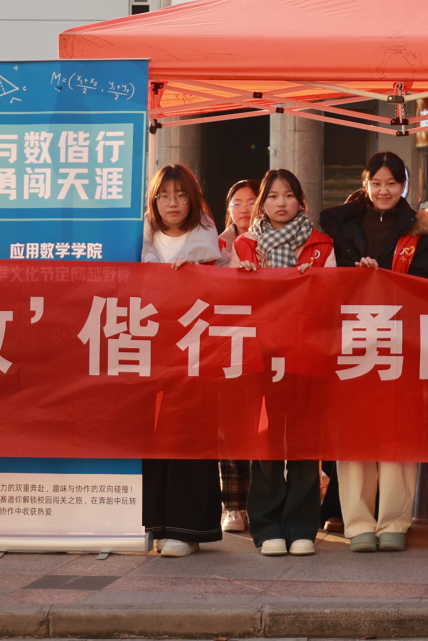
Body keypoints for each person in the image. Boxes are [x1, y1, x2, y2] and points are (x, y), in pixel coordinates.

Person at [317, 152, 428, 551]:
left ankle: (394, 522)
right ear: (365, 184)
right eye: (377, 183)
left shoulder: (421, 233)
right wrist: (355, 276)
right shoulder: (340, 228)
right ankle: (358, 523)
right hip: (351, 342)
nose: (384, 191)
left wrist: (384, 280)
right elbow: (326, 277)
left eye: (392, 183)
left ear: (404, 186)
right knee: (353, 432)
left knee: (397, 431)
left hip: (402, 344)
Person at [230, 168, 328, 557]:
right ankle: (267, 524)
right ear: (262, 203)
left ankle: (302, 525)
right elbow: (229, 303)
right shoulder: (243, 246)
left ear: (301, 202)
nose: (281, 202)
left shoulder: (322, 246)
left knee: (304, 440)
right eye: (272, 196)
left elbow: (334, 304)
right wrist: (241, 279)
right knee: (266, 440)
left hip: (306, 355)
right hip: (261, 355)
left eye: (288, 195)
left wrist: (315, 283)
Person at [140, 163, 228, 556]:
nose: (172, 203)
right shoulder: (138, 239)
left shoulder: (209, 242)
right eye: (164, 195)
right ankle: (155, 523)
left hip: (196, 351)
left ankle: (188, 529)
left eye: (180, 195)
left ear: (193, 199)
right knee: (151, 435)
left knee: (189, 434)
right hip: (146, 347)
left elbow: (228, 292)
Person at [215, 178, 263, 534]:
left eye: (251, 202)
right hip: (229, 342)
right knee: (232, 425)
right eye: (237, 203)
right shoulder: (214, 245)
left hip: (269, 341)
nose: (244, 209)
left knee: (265, 430)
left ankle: (260, 504)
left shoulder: (272, 241)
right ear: (228, 209)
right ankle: (233, 505)